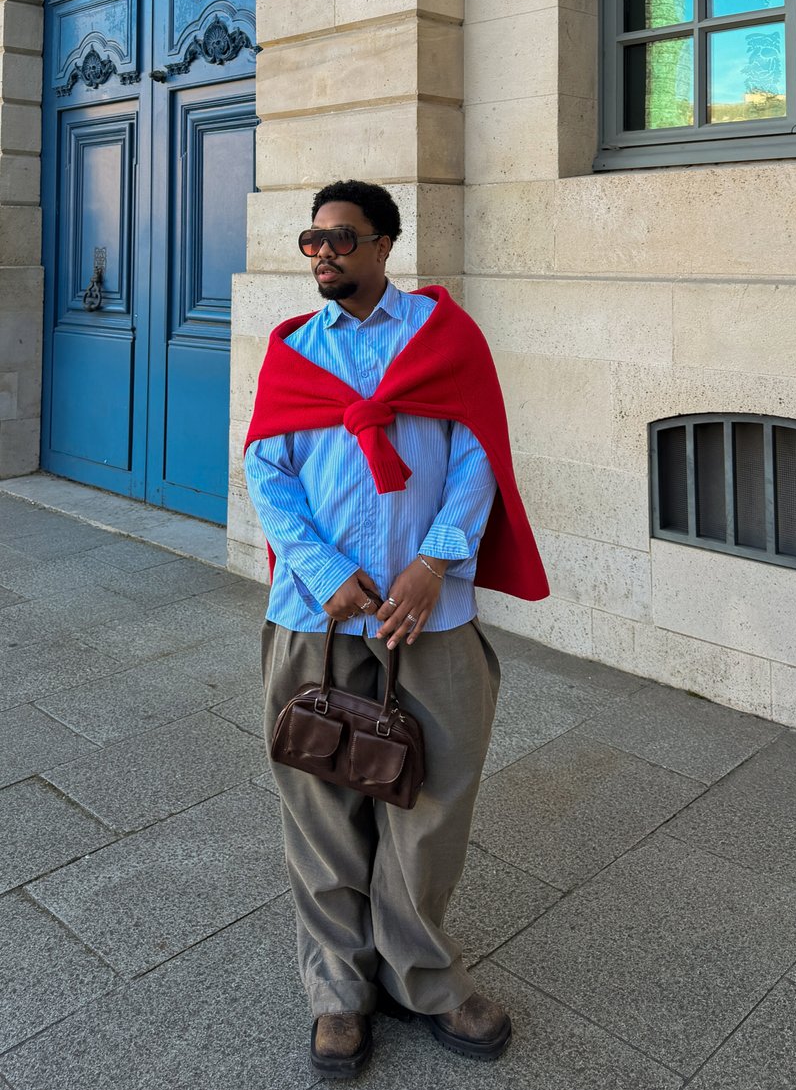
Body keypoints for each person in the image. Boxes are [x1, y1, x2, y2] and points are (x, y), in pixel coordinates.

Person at [244, 180, 548, 1079]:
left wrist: (433, 562)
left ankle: (422, 973)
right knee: (320, 804)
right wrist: (328, 573)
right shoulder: (293, 350)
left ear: (385, 244)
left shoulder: (443, 340)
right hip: (316, 614)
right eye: (311, 240)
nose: (323, 253)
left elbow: (478, 455)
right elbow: (266, 466)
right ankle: (338, 988)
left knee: (432, 800)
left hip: (432, 613)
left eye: (341, 238)